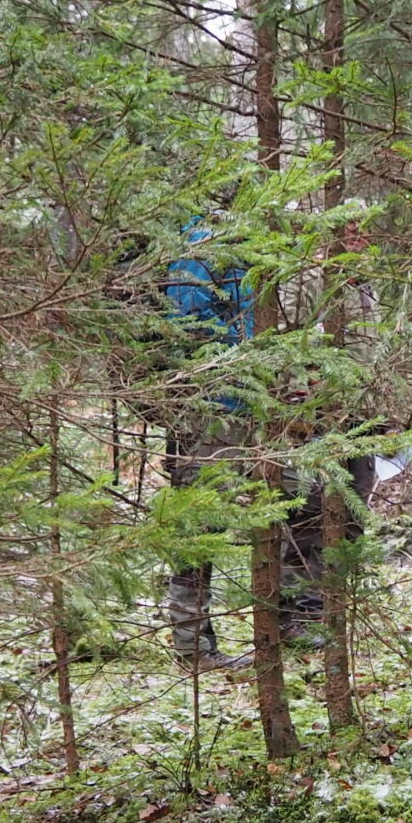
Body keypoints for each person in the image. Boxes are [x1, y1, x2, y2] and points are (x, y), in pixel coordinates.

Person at [160, 216, 254, 667]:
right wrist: (245, 359)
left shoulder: (255, 242)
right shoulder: (202, 246)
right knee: (199, 525)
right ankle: (192, 646)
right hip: (209, 409)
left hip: (249, 406)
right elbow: (190, 323)